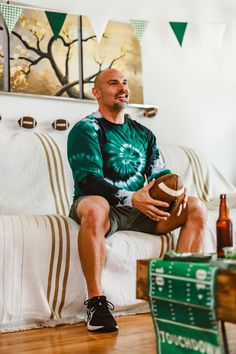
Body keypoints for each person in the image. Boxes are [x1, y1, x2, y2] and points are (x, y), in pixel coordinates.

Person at [67, 68, 206, 333]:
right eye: (112, 83)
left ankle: (176, 296)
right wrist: (131, 198)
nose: (122, 87)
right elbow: (87, 179)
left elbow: (160, 174)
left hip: (141, 209)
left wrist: (177, 190)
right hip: (103, 206)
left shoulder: (143, 134)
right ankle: (96, 304)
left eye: (124, 82)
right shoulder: (85, 129)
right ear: (96, 92)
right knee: (96, 207)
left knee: (196, 207)